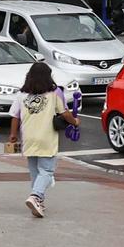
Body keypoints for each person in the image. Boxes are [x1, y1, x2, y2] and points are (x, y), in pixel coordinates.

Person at [10, 64, 77, 220]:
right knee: (47, 171)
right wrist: (75, 122)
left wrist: (13, 135)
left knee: (35, 172)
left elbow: (15, 116)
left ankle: (39, 201)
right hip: (46, 137)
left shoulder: (22, 94)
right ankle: (36, 195)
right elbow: (64, 113)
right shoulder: (54, 93)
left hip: (28, 137)